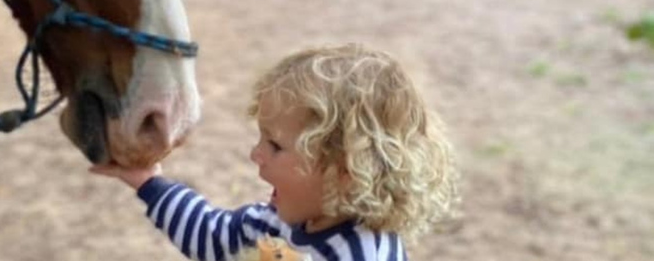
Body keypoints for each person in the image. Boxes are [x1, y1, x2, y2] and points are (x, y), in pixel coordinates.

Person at [91, 43, 459, 261]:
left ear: (345, 170)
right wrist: (148, 183)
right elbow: (212, 236)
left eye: (275, 146)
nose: (255, 154)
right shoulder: (273, 224)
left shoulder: (363, 254)